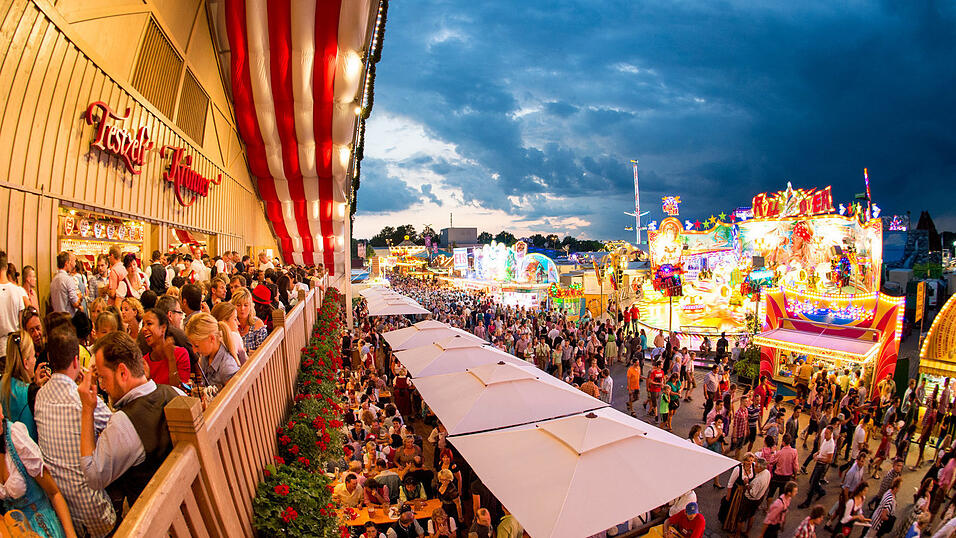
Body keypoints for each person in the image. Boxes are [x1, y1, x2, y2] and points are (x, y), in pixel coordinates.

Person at [78, 331, 181, 505]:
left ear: (123, 373)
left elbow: (93, 477)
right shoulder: (176, 393)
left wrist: (87, 410)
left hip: (153, 518)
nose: (103, 386)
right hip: (182, 501)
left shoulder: (124, 423)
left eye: (104, 378)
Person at [34, 326, 116, 537]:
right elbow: (117, 431)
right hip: (95, 515)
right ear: (75, 361)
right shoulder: (84, 399)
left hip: (61, 512)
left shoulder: (40, 397)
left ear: (50, 357)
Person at [2, 329, 46, 441]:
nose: (35, 360)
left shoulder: (2, 384)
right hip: (28, 454)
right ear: (26, 363)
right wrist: (37, 390)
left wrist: (34, 385)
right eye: (33, 357)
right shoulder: (31, 393)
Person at [185, 313, 240, 389]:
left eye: (197, 346)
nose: (194, 351)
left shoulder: (227, 367)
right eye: (192, 346)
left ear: (211, 338)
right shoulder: (206, 356)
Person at [140, 308, 191, 388]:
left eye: (149, 324)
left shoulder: (180, 354)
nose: (144, 329)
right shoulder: (145, 362)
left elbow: (180, 389)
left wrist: (171, 359)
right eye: (143, 325)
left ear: (163, 328)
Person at [799, 426, 835, 509]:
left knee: (813, 483)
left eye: (827, 433)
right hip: (818, 463)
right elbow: (822, 450)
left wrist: (819, 458)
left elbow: (829, 460)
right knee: (813, 481)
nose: (825, 435)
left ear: (831, 434)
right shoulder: (826, 440)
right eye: (825, 433)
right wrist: (817, 453)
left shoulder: (831, 444)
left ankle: (807, 502)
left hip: (821, 466)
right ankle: (821, 491)